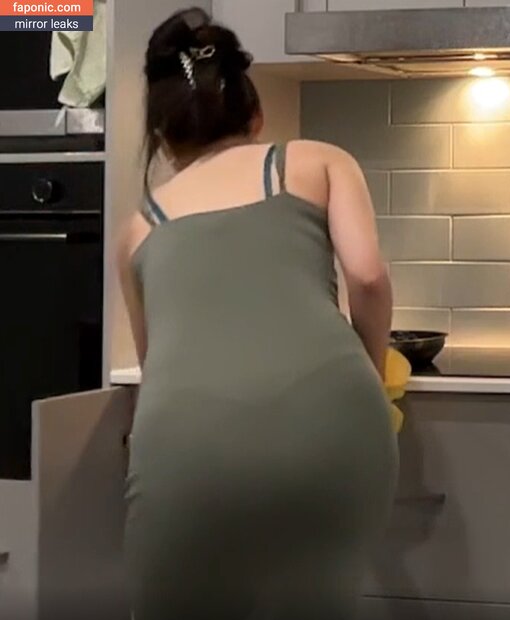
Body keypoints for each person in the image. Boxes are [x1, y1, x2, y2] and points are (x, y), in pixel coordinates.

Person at [117, 6, 398, 620]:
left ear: (162, 136)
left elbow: (155, 361)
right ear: (256, 113)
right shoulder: (318, 161)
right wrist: (370, 379)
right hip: (337, 430)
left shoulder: (138, 229)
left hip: (186, 454)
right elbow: (368, 277)